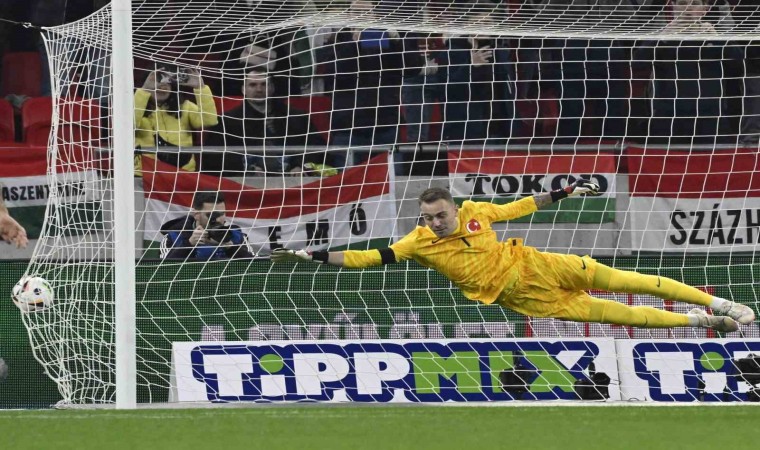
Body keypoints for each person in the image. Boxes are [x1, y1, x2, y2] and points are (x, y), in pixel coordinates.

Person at [271, 182, 755, 332]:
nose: (434, 222)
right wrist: (315, 256)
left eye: (440, 215)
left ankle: (719, 304)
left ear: (454, 209)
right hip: (524, 298)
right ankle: (701, 323)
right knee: (623, 315)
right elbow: (370, 258)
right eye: (428, 217)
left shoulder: (477, 212)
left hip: (537, 264)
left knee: (630, 280)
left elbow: (521, 206)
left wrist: (564, 191)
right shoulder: (417, 243)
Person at [203, 70, 333, 176]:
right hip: (245, 184)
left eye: (264, 84)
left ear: (272, 88)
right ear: (243, 89)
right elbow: (214, 157)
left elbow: (317, 147)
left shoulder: (298, 117)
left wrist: (300, 166)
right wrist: (247, 168)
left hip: (294, 181)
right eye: (253, 85)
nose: (259, 89)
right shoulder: (227, 121)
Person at [134, 66, 218, 172]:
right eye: (157, 81)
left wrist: (200, 88)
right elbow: (128, 125)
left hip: (182, 173)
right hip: (145, 173)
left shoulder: (185, 106)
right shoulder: (135, 106)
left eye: (167, 83)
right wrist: (144, 91)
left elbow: (209, 120)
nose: (162, 86)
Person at [160, 191, 253, 260]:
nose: (218, 219)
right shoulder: (173, 237)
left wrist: (231, 248)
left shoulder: (237, 236)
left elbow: (256, 268)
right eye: (211, 215)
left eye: (222, 214)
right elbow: (161, 271)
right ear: (196, 214)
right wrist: (188, 244)